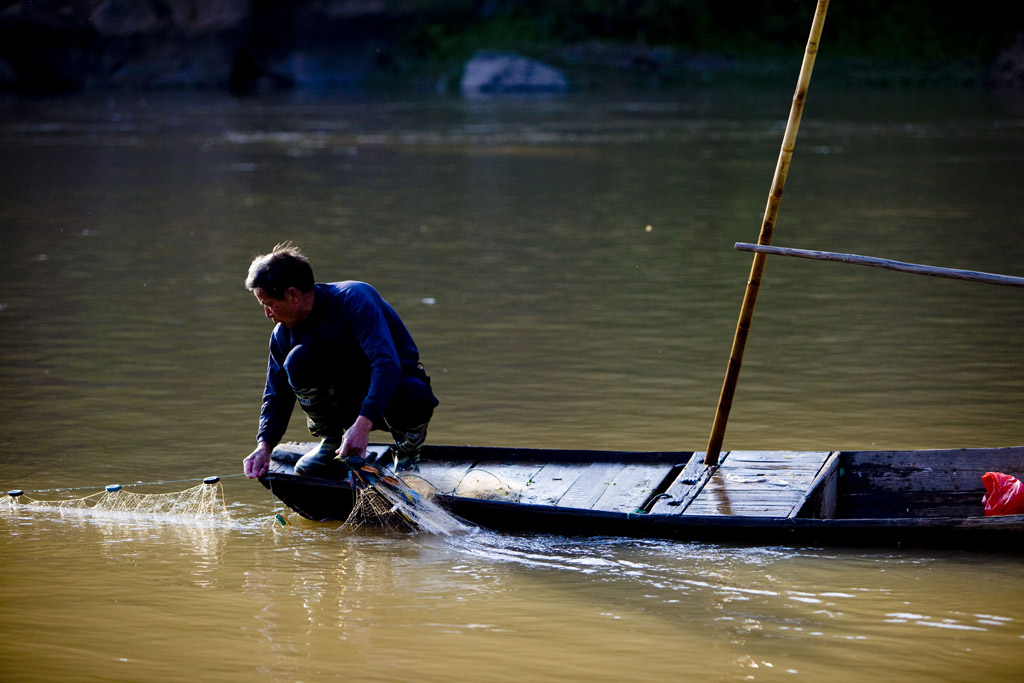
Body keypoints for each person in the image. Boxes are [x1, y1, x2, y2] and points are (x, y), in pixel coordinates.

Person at [242, 243, 438, 479]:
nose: (268, 314)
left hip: (392, 393)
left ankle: (407, 453)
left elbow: (386, 365)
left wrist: (363, 426)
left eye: (269, 304)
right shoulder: (282, 335)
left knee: (413, 393)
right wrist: (264, 446)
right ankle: (331, 441)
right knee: (296, 361)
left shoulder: (353, 300)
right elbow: (275, 395)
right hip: (345, 401)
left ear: (293, 295)